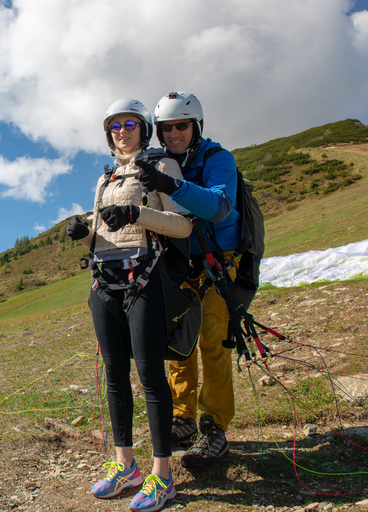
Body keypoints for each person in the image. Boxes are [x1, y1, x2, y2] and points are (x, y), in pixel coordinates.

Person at [67, 98, 192, 511]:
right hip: (103, 281)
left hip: (144, 278)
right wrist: (84, 235)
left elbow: (183, 224)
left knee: (150, 375)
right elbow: (106, 236)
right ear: (109, 133)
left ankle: (162, 476)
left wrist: (137, 213)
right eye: (115, 125)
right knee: (114, 375)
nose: (122, 130)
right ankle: (126, 466)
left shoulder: (160, 168)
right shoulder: (103, 180)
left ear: (143, 128)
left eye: (130, 123)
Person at [134, 91, 242, 470]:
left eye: (182, 126)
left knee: (213, 339)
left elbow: (220, 206)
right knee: (178, 344)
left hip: (218, 264)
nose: (175, 134)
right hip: (177, 267)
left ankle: (214, 426)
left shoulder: (218, 159)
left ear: (196, 126)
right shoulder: (157, 163)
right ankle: (183, 418)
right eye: (167, 128)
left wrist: (172, 186)